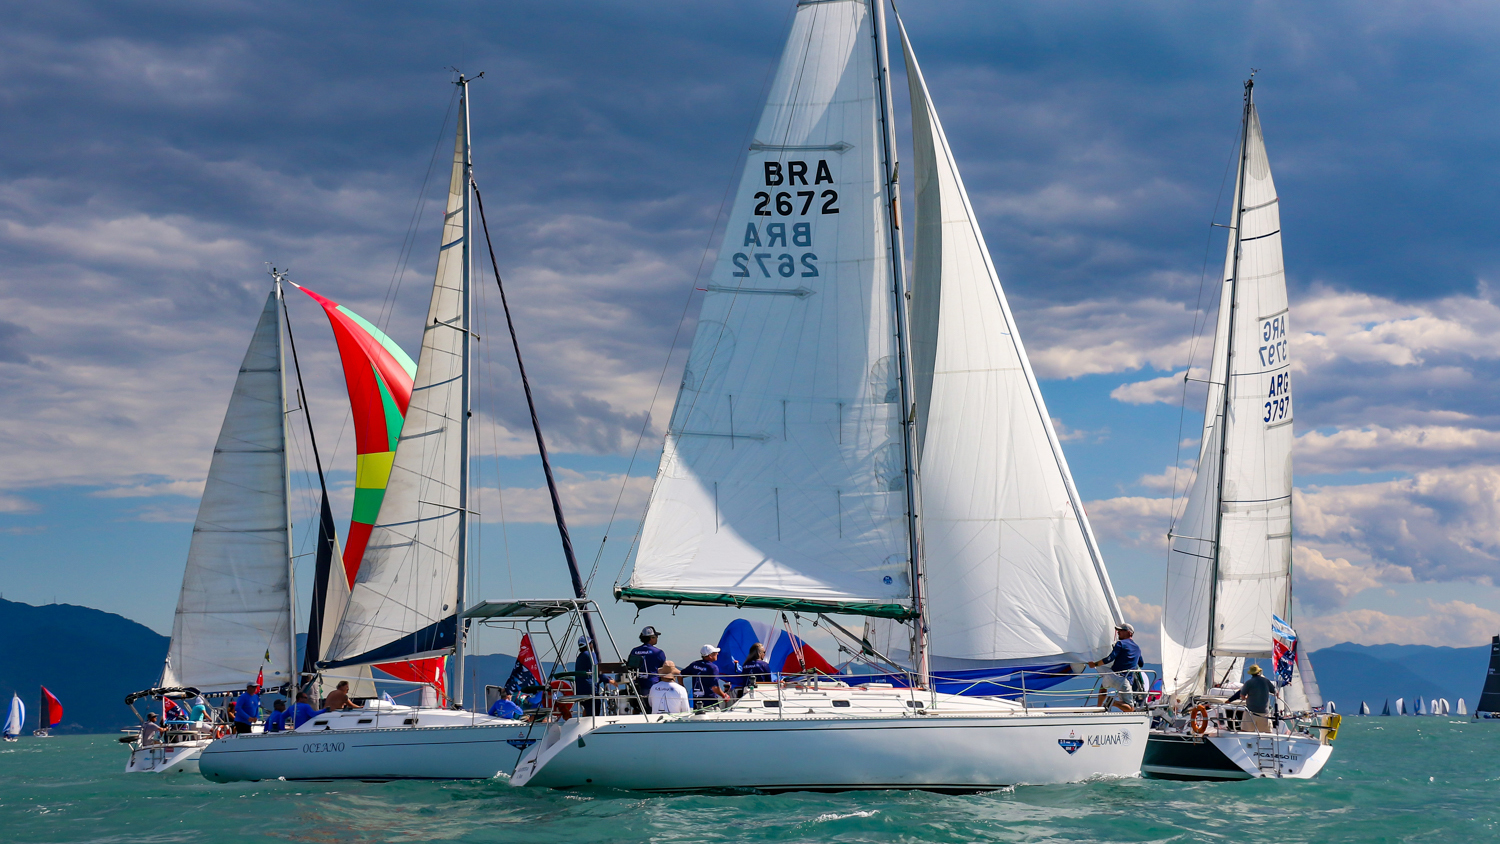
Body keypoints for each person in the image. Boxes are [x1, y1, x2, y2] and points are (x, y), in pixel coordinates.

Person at [1088, 623, 1144, 711]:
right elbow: (1141, 664)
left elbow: (1110, 658)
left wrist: (1094, 664)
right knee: (1130, 709)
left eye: (1121, 630)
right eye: (1118, 630)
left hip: (1112, 675)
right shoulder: (1137, 648)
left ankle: (1098, 708)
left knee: (1103, 687)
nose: (1118, 632)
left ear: (1129, 633)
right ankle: (1113, 702)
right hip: (1124, 680)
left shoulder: (1120, 644)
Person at [1228, 664, 1278, 733]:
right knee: (1267, 732)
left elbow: (1242, 695)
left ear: (1251, 674)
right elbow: (1275, 691)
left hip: (1250, 712)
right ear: (1259, 672)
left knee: (1245, 731)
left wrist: (1244, 698)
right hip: (1264, 713)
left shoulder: (1248, 682)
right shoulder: (1266, 681)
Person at [626, 625, 667, 711]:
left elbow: (629, 666)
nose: (657, 638)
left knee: (639, 709)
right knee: (653, 710)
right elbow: (664, 669)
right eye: (656, 636)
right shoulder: (658, 652)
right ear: (651, 637)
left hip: (637, 686)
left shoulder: (634, 651)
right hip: (653, 686)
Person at [682, 644, 732, 708]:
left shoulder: (694, 664)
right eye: (715, 653)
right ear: (710, 656)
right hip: (710, 703)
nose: (717, 654)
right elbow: (715, 688)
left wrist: (683, 688)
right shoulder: (713, 668)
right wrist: (724, 696)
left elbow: (680, 675)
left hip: (697, 703)